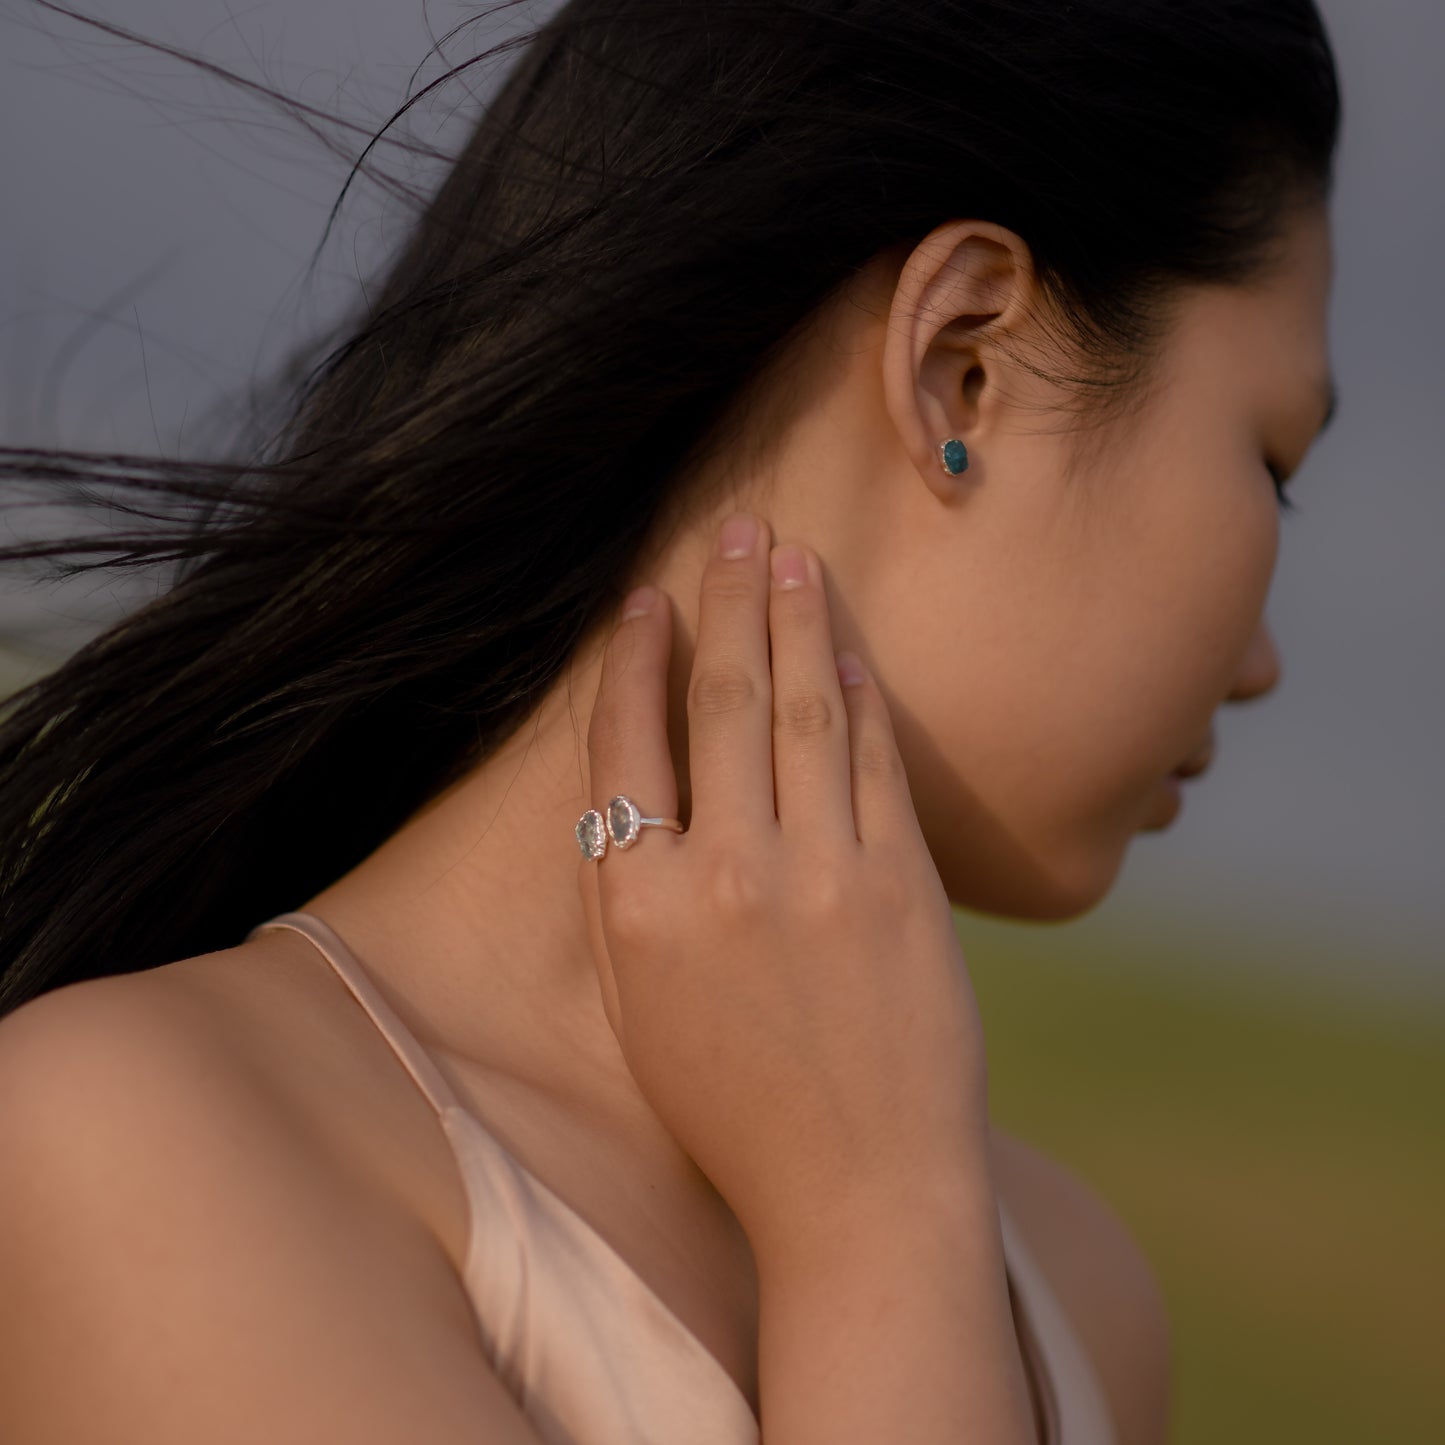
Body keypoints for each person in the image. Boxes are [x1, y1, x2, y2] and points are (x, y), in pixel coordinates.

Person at [0, 1, 1341, 1441]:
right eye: (1270, 461)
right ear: (962, 359)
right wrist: (871, 1229)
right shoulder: (137, 1147)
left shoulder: (1074, 1287)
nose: (1264, 664)